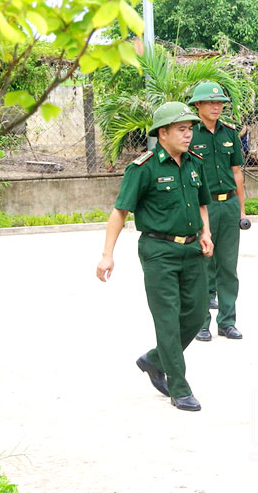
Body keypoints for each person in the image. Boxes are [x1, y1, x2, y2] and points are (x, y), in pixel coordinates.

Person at [96, 102, 214, 412]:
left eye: (190, 129)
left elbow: (202, 203)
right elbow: (120, 211)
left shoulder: (194, 163)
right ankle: (179, 387)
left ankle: (154, 360)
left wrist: (206, 233)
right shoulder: (144, 167)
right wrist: (107, 255)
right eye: (181, 129)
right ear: (162, 133)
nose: (188, 135)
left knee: (198, 313)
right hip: (159, 250)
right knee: (167, 320)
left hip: (192, 248)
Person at [187, 81, 247, 342]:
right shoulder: (190, 134)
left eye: (220, 103)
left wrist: (242, 211)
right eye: (210, 102)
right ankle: (201, 323)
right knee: (203, 265)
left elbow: (237, 173)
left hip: (229, 204)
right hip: (204, 205)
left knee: (228, 267)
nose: (216, 107)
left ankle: (227, 322)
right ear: (197, 105)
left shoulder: (230, 133)